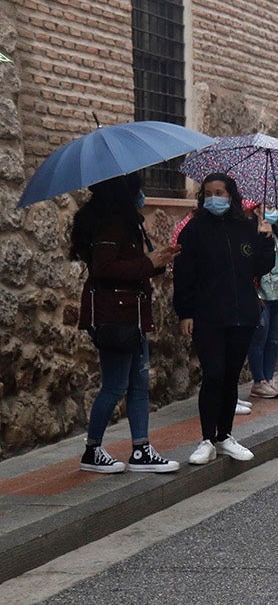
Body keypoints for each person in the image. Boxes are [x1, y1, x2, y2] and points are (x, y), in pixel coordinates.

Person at [72, 173, 181, 474]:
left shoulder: (126, 223)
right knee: (116, 385)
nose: (143, 196)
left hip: (131, 316)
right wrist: (149, 263)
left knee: (139, 384)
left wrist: (157, 261)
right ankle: (92, 450)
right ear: (126, 193)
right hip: (115, 318)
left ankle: (141, 449)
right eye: (139, 190)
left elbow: (131, 267)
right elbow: (103, 267)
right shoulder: (111, 224)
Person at [174, 173, 275, 466]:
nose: (214, 197)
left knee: (231, 376)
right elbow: (184, 276)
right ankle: (207, 438)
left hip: (242, 314)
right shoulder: (193, 231)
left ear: (231, 195)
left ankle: (225, 435)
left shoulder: (246, 227)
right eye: (208, 193)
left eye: (220, 192)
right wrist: (185, 313)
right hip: (208, 315)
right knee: (214, 374)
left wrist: (265, 239)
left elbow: (260, 266)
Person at [246, 204, 278, 399]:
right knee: (260, 336)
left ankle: (270, 378)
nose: (273, 210)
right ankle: (259, 381)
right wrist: (262, 237)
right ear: (257, 209)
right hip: (260, 294)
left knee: (274, 338)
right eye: (268, 206)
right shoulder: (250, 232)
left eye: (275, 206)